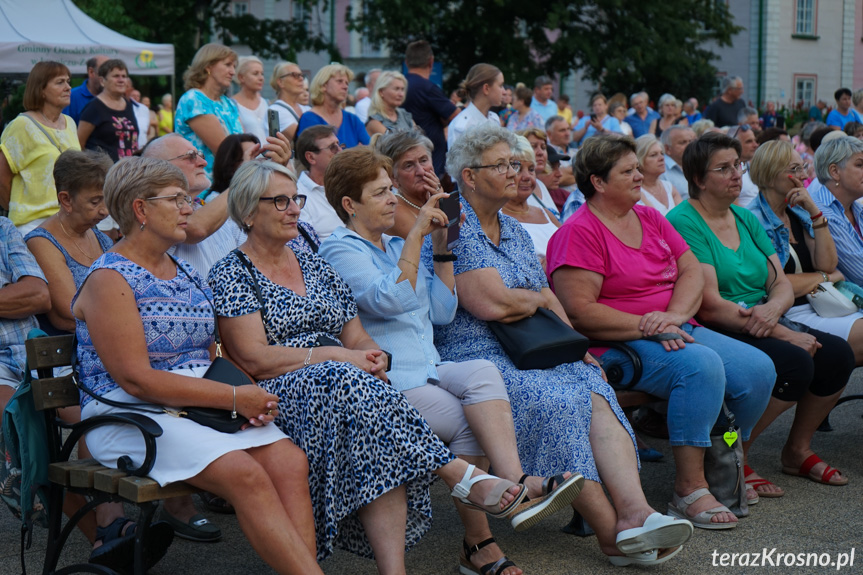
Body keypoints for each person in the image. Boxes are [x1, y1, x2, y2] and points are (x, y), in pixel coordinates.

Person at [207, 159, 528, 573]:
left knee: (375, 435)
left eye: (297, 199)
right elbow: (253, 356)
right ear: (248, 212)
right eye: (281, 201)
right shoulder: (233, 273)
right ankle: (456, 474)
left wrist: (373, 355)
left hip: (347, 385)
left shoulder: (315, 267)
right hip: (283, 389)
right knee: (344, 377)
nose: (294, 209)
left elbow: (355, 334)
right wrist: (339, 355)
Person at [429, 122, 693, 566]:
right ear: (469, 176)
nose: (516, 172)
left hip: (533, 346)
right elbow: (488, 304)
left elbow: (545, 296)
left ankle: (636, 512)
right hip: (476, 353)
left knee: (593, 387)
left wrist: (573, 343)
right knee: (554, 399)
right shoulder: (454, 223)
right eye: (503, 165)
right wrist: (533, 301)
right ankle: (613, 536)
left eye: (517, 163)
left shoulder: (509, 227)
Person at [320, 146, 583, 575]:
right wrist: (416, 237)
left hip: (427, 368)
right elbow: (391, 298)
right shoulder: (339, 250)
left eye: (391, 189)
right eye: (381, 192)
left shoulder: (391, 244)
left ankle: (515, 483)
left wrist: (441, 250)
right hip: (389, 382)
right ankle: (482, 536)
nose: (392, 198)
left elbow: (440, 311)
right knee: (465, 419)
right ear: (350, 204)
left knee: (483, 370)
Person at [71, 156, 324, 574]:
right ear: (141, 210)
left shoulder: (184, 270)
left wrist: (240, 397)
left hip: (195, 407)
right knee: (246, 475)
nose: (190, 207)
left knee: (289, 460)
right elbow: (136, 379)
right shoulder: (110, 278)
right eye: (178, 199)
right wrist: (232, 397)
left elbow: (208, 353)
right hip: (129, 416)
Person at [547, 134, 774, 528]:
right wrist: (646, 325)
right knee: (699, 366)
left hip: (673, 326)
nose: (640, 175)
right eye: (628, 170)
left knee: (758, 371)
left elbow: (690, 271)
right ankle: (689, 489)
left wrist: (670, 316)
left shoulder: (650, 217)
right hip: (614, 344)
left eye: (638, 167)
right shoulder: (580, 231)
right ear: (598, 182)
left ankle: (725, 460)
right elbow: (578, 313)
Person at [667, 132, 855, 497]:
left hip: (764, 316)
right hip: (720, 322)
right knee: (796, 363)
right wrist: (781, 331)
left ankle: (796, 450)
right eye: (723, 168)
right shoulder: (685, 221)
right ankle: (737, 454)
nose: (737, 174)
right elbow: (709, 304)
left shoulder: (743, 217)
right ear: (698, 179)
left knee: (837, 356)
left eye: (738, 165)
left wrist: (772, 310)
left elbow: (780, 281)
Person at [746, 140, 863, 365]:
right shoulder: (753, 219)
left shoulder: (797, 211)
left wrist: (815, 213)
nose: (803, 175)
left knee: (837, 362)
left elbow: (827, 262)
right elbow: (776, 285)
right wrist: (825, 278)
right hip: (785, 312)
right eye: (794, 169)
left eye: (802, 167)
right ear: (770, 174)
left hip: (819, 302)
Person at [24, 150, 113, 334]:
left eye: (107, 199)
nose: (105, 211)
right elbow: (70, 313)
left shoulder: (102, 239)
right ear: (66, 200)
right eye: (95, 202)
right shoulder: (41, 243)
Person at [0, 61, 81, 234]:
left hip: (70, 220)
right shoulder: (21, 125)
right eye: (60, 82)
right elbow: (1, 180)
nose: (68, 87)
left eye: (68, 81)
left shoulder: (70, 124)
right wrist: (18, 209)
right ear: (41, 90)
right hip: (33, 225)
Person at [175, 43, 243, 179]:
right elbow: (224, 150)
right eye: (228, 65)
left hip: (231, 181)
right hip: (203, 185)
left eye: (234, 66)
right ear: (208, 66)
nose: (233, 72)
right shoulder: (194, 99)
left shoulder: (228, 103)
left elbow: (245, 143)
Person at [810, 135, 863, 286]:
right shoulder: (821, 211)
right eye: (860, 165)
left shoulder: (856, 208)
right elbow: (860, 272)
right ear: (834, 172)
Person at [501, 136, 560, 266]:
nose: (527, 177)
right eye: (518, 169)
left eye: (531, 169)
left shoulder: (546, 214)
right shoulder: (495, 217)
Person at [402, 41, 459, 176]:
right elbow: (456, 116)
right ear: (431, 62)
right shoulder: (428, 88)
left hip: (405, 158)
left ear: (406, 62)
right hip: (430, 160)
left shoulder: (399, 85)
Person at [374, 129, 444, 240]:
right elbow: (432, 252)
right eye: (408, 166)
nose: (421, 171)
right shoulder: (395, 212)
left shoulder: (434, 199)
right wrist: (443, 206)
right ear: (393, 178)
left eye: (423, 160)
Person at [77, 59, 139, 162]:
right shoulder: (94, 107)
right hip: (102, 173)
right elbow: (79, 144)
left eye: (124, 76)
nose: (121, 80)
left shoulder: (128, 106)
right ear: (102, 81)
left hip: (127, 172)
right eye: (116, 76)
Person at [296, 64, 369, 149]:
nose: (345, 87)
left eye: (347, 83)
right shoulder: (309, 119)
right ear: (323, 85)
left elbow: (370, 151)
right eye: (339, 81)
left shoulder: (352, 120)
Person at [295, 125, 344, 240]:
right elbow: (308, 244)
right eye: (333, 147)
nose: (340, 150)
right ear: (311, 157)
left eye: (339, 145)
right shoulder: (298, 194)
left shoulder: (347, 183)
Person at [447, 64, 505, 148]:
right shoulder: (461, 126)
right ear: (486, 89)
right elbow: (455, 160)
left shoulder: (494, 119)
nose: (504, 91)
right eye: (500, 85)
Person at [636, 134, 682, 216]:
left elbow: (682, 219)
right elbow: (656, 222)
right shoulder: (637, 191)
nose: (661, 158)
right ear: (639, 161)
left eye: (662, 153)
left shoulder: (669, 187)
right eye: (653, 155)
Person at [268, 62, 310, 141]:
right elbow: (306, 139)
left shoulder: (306, 109)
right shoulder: (275, 111)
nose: (301, 79)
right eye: (294, 75)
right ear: (280, 82)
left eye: (301, 75)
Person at [231, 56, 269, 144]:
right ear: (241, 77)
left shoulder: (267, 103)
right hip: (248, 156)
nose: (261, 78)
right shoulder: (232, 105)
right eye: (255, 74)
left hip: (270, 156)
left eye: (262, 74)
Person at [365, 71, 415, 135]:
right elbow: (395, 143)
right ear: (381, 92)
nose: (401, 94)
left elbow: (421, 139)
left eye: (402, 89)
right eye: (396, 89)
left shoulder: (405, 115)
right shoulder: (374, 122)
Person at [62, 56, 109, 124]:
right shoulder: (71, 96)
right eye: (105, 71)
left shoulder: (116, 99)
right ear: (91, 72)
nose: (109, 75)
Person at [660, 126, 696, 201]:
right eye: (683, 143)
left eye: (690, 141)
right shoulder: (661, 171)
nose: (689, 146)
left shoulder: (697, 164)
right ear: (667, 149)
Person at [730, 124, 760, 207]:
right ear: (734, 145)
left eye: (755, 140)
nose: (755, 145)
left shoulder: (749, 165)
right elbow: (733, 206)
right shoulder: (730, 172)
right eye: (749, 141)